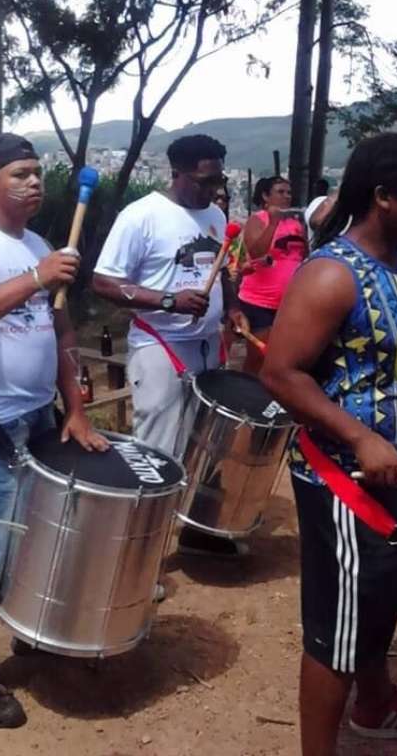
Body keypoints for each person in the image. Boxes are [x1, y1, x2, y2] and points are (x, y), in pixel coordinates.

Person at [262, 133, 397, 755]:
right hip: (344, 481)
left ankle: (375, 704)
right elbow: (280, 373)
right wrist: (358, 436)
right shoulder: (330, 275)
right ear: (382, 197)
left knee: (379, 605)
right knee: (338, 631)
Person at [0, 133, 107, 729]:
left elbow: (59, 332)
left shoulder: (37, 244)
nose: (35, 183)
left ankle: (29, 629)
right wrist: (35, 276)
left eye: (38, 173)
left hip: (36, 417)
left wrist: (75, 408)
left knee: (33, 535)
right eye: (21, 174)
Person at [93, 134, 248, 557]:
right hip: (160, 344)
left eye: (217, 178)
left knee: (205, 445)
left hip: (206, 344)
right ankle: (139, 553)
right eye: (203, 179)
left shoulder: (216, 214)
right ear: (176, 173)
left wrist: (232, 307)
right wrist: (167, 300)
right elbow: (103, 281)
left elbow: (225, 269)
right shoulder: (142, 216)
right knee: (156, 449)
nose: (213, 188)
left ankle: (195, 529)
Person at [238, 175, 307, 373]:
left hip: (288, 301)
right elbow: (256, 251)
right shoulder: (257, 220)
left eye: (289, 193)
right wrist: (273, 223)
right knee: (258, 355)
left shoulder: (295, 223)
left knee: (284, 355)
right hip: (260, 301)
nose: (286, 196)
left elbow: (305, 256)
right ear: (266, 196)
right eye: (280, 192)